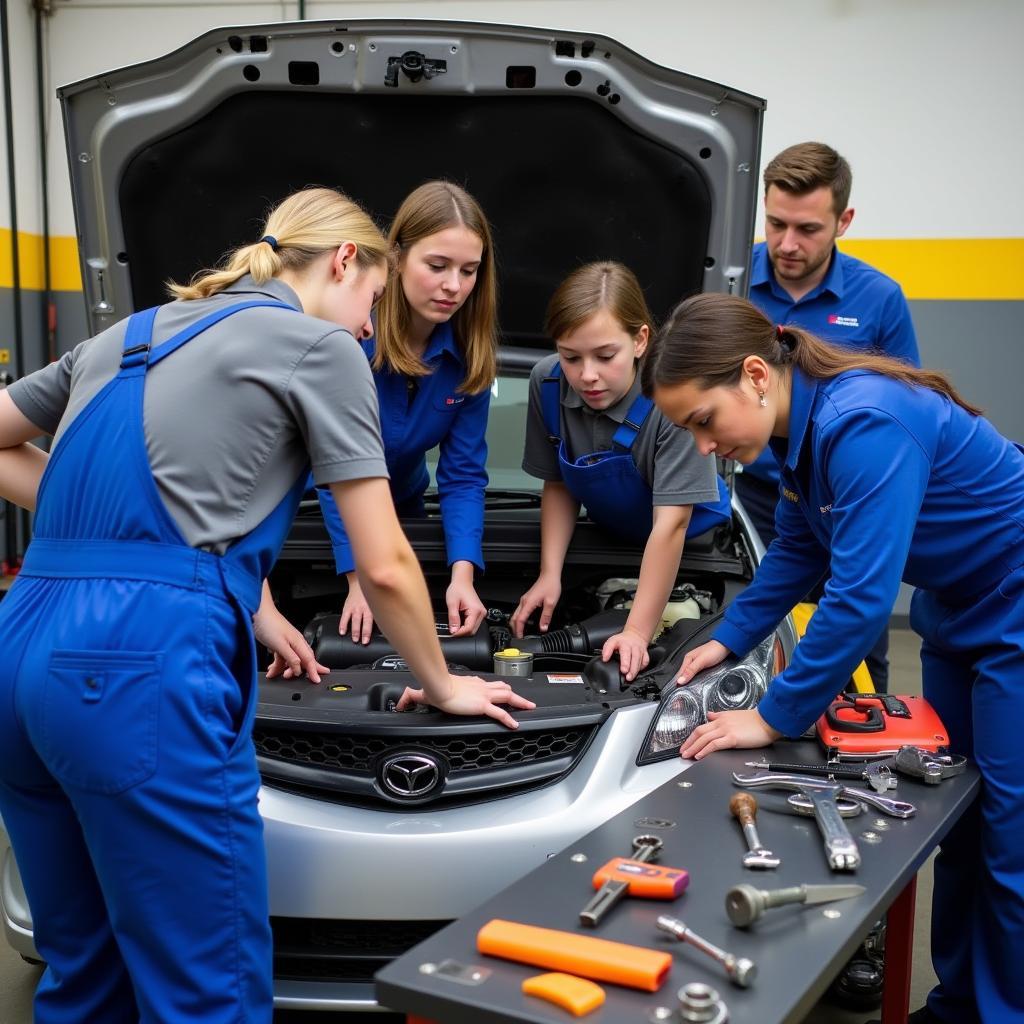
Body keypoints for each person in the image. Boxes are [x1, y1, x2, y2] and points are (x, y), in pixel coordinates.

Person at [0, 187, 533, 1024]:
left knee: (85, 974)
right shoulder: (320, 346)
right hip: (137, 666)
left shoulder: (127, 333)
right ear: (346, 262)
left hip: (22, 646)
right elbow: (388, 564)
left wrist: (147, 544)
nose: (371, 326)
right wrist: (443, 681)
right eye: (375, 300)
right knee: (206, 991)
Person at [643, 291, 1024, 1024]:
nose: (702, 445)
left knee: (1010, 833)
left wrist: (772, 714)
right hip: (956, 606)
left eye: (703, 421)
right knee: (961, 826)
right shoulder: (797, 437)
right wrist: (722, 640)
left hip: (1015, 602)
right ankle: (956, 1005)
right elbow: (796, 550)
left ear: (755, 375)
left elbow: (859, 598)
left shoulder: (863, 422)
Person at [738, 141, 921, 692]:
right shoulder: (728, 280)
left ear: (844, 220)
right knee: (750, 635)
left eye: (808, 229)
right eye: (775, 224)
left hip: (846, 500)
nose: (787, 244)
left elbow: (906, 410)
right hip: (747, 499)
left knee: (858, 643)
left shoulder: (879, 298)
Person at [510, 262, 731, 681]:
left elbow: (671, 527)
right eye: (570, 356)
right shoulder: (548, 383)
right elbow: (557, 484)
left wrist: (635, 631)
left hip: (688, 545)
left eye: (605, 356)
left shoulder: (673, 400)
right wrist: (549, 574)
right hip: (608, 537)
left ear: (640, 340)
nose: (587, 375)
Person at [317, 180, 497, 644]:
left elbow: (461, 476)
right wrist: (358, 580)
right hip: (310, 512)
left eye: (469, 270)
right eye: (437, 265)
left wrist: (462, 575)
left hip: (401, 509)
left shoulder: (470, 358)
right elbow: (334, 466)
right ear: (395, 257)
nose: (454, 286)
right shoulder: (349, 337)